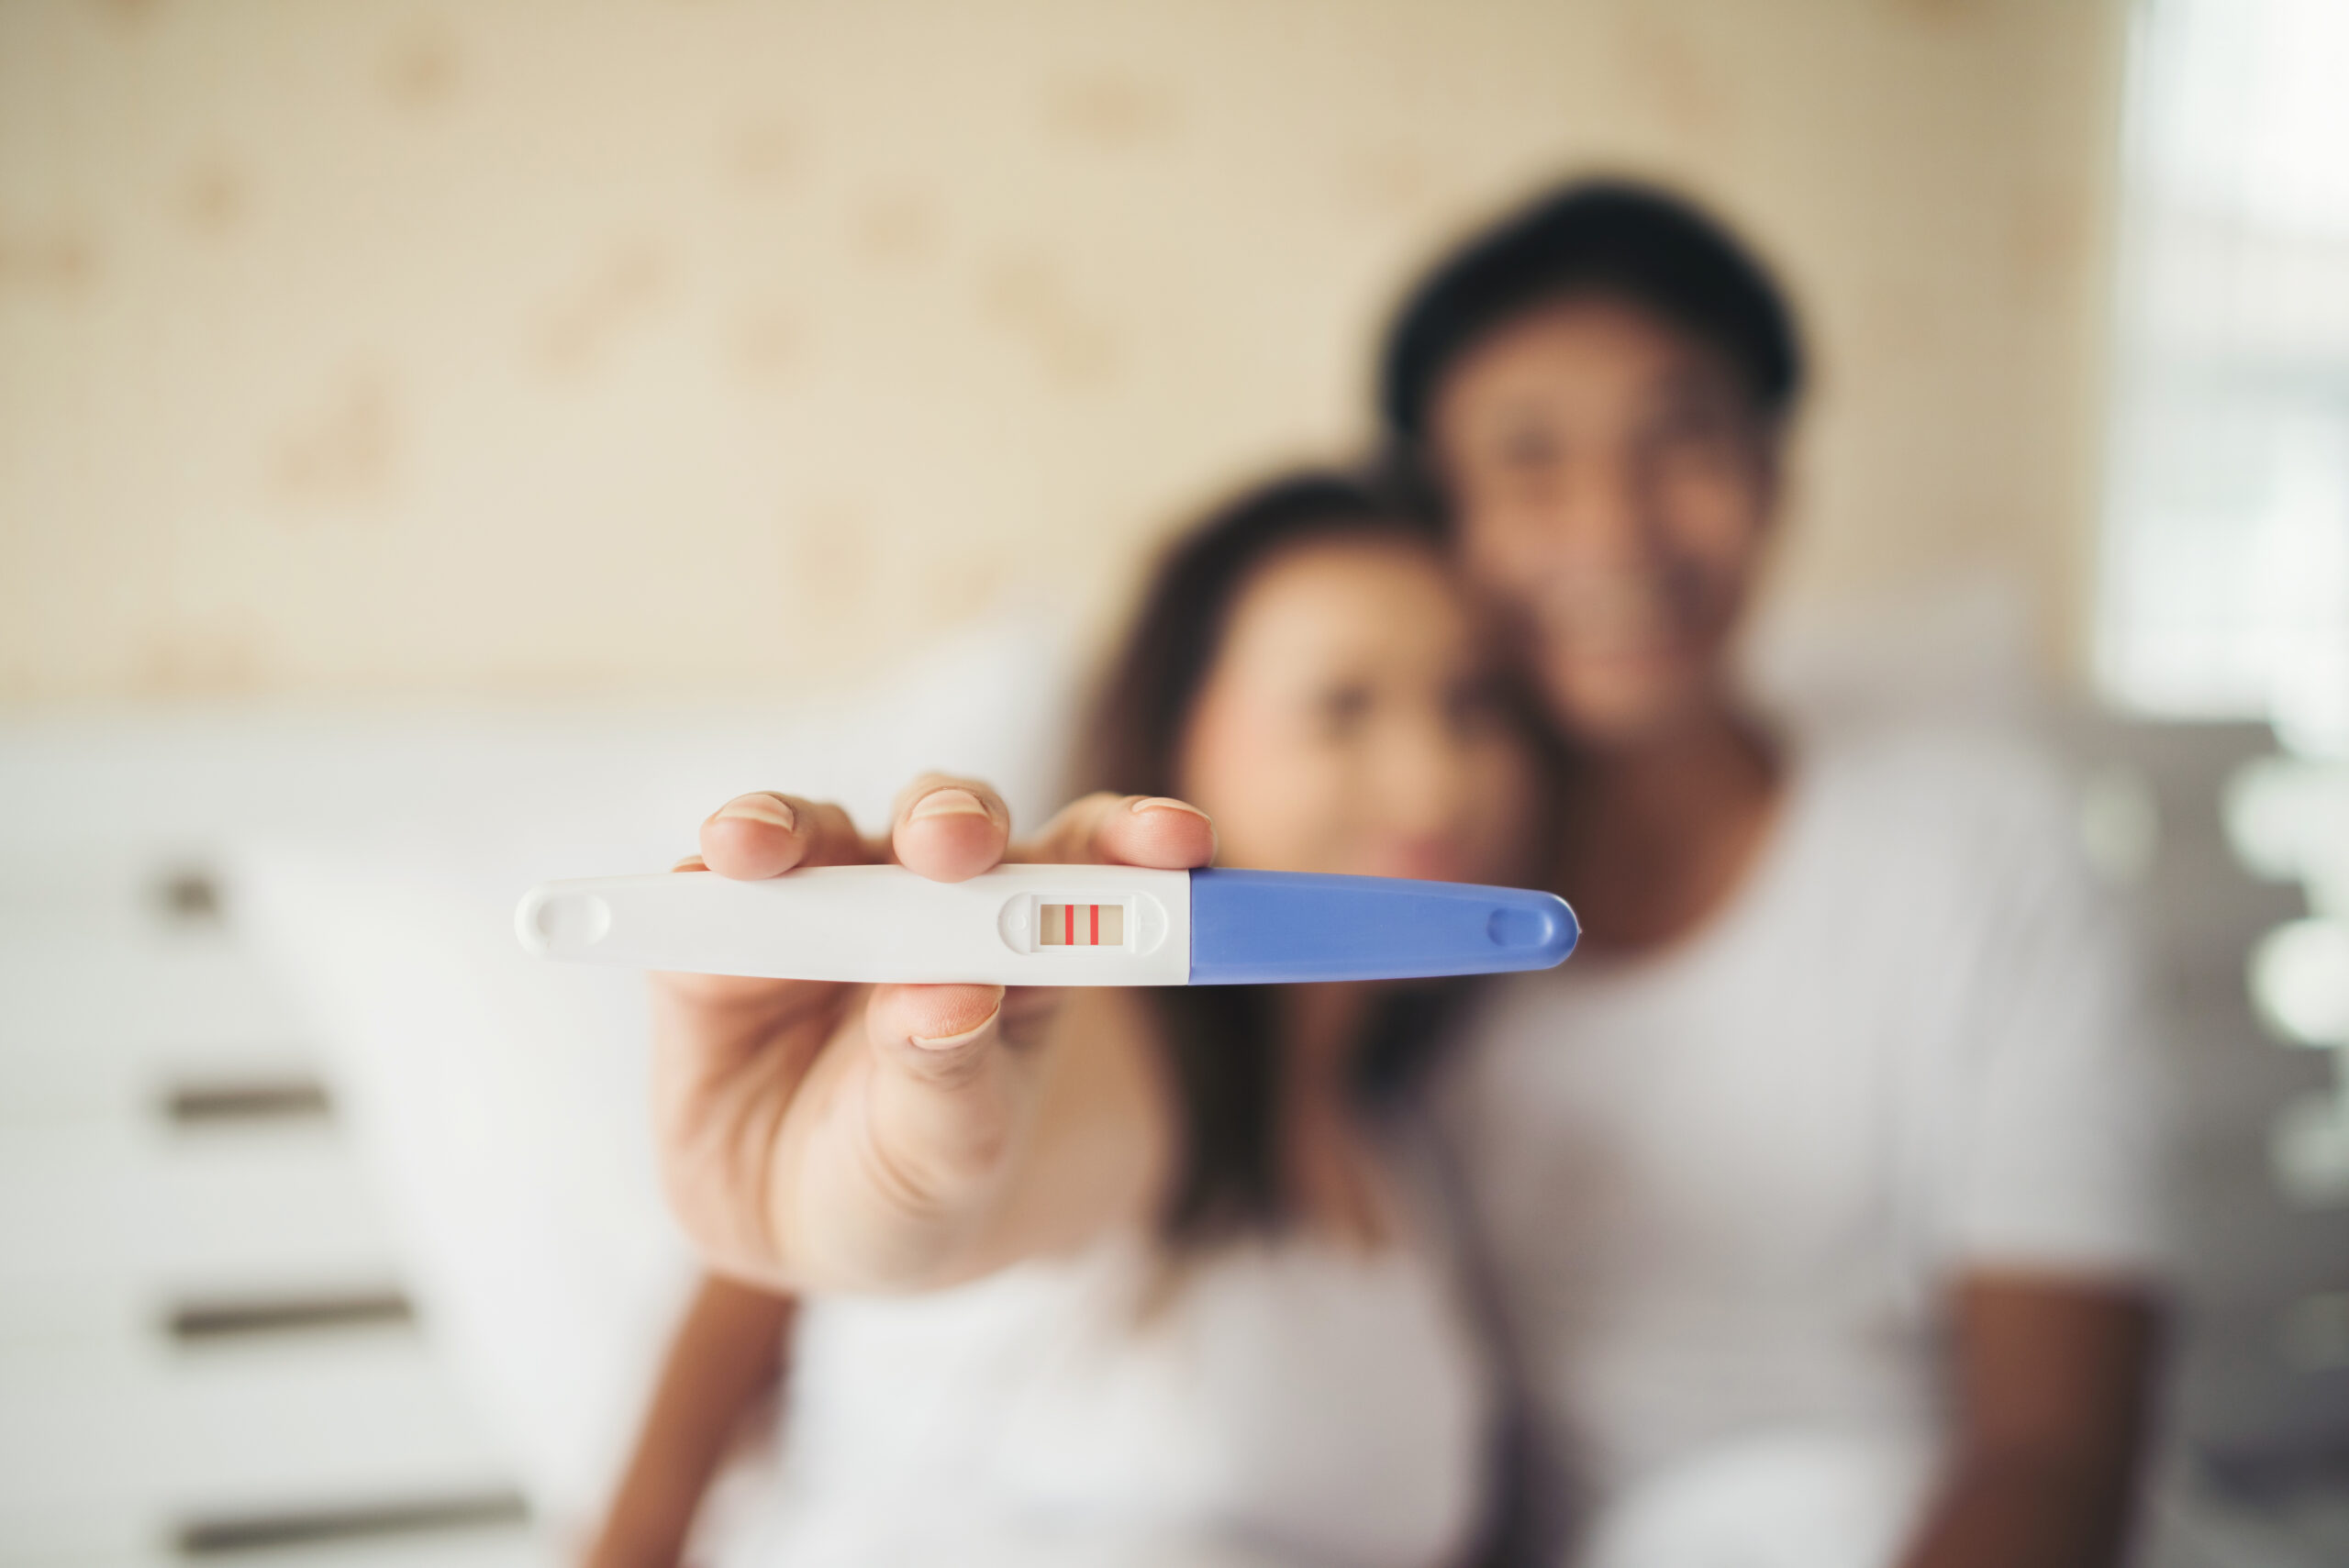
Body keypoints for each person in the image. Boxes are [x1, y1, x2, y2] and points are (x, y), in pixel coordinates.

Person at [1379, 181, 2165, 1568]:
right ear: (1435, 527)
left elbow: (2055, 1448)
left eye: (1682, 438)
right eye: (1529, 462)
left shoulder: (1981, 850)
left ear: (1775, 473)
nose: (1615, 531)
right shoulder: (1392, 908)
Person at [593, 472, 1551, 1566]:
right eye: (1341, 706)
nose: (1433, 783)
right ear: (1181, 730)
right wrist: (899, 1164)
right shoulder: (1113, 1042)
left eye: (1471, 706)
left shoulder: (1405, 1158)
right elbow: (957, 1169)